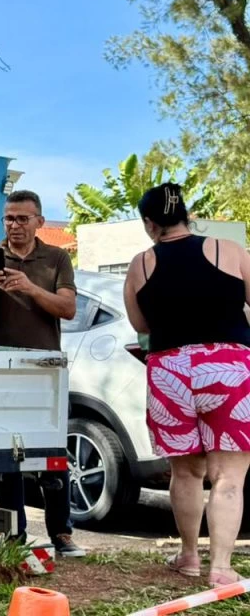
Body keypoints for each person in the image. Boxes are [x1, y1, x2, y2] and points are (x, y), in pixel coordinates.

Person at [123, 183, 250, 588]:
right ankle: (222, 567)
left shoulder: (140, 263)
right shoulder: (227, 249)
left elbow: (141, 327)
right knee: (228, 474)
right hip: (227, 365)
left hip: (170, 370)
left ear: (149, 224)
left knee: (186, 472)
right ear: (188, 215)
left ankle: (190, 557)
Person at [0, 190, 86, 558]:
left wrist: (30, 287)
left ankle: (61, 533)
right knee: (8, 454)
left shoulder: (56, 258)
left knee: (51, 452)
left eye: (23, 219)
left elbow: (68, 309)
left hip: (43, 368)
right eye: (9, 218)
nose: (15, 225)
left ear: (40, 221)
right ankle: (14, 531)